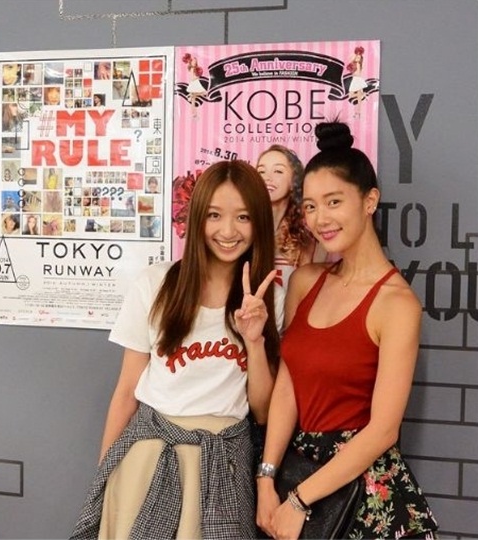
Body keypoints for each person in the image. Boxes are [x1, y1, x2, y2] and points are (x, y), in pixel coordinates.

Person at [70, 160, 284, 540]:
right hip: (148, 458)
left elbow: (264, 410)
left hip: (222, 465)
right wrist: (105, 474)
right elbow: (126, 391)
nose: (228, 231)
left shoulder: (270, 300)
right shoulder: (155, 284)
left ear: (259, 224)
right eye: (214, 215)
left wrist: (254, 340)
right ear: (198, 218)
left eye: (243, 217)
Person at [256, 122, 438, 539]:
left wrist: (299, 501)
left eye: (334, 202)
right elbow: (288, 383)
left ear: (369, 200)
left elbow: (383, 430)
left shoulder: (397, 304)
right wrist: (266, 476)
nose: (320, 219)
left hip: (363, 493)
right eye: (310, 206)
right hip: (297, 471)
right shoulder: (306, 281)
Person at [256, 145, 322, 291]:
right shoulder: (245, 232)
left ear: (294, 182)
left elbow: (306, 292)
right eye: (261, 171)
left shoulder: (305, 240)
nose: (267, 178)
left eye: (278, 171)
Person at [347, 46, 367, 119]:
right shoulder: (355, 63)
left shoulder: (358, 64)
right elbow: (350, 58)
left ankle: (357, 114)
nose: (357, 58)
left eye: (359, 57)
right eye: (357, 56)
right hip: (356, 80)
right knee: (355, 97)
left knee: (358, 99)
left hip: (357, 80)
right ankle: (363, 94)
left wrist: (353, 73)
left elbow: (358, 74)